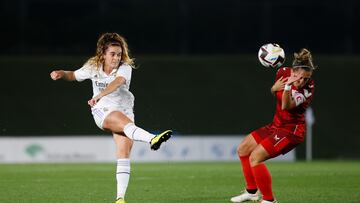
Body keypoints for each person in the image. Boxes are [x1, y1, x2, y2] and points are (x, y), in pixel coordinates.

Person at [50, 33, 172, 203]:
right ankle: (152, 138)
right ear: (103, 54)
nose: (116, 58)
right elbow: (74, 76)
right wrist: (61, 73)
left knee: (123, 154)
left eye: (119, 54)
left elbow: (118, 82)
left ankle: (120, 198)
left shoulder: (124, 67)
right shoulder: (93, 66)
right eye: (112, 54)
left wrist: (100, 93)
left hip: (125, 110)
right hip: (102, 110)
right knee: (121, 122)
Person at [230, 48, 316, 203]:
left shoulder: (308, 89)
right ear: (293, 71)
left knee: (255, 158)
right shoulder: (283, 72)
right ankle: (252, 192)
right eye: (300, 77)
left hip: (292, 132)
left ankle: (270, 200)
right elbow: (275, 90)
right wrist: (273, 89)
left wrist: (288, 87)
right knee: (243, 149)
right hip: (276, 126)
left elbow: (285, 105)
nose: (303, 81)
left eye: (307, 78)